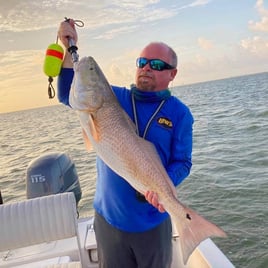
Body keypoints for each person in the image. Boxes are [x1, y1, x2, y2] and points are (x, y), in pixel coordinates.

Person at [57, 19, 194, 268]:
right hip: (108, 221)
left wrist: (163, 187)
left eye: (156, 64)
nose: (146, 68)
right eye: (142, 62)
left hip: (152, 223)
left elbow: (183, 162)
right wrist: (68, 49)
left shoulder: (180, 114)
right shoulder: (115, 97)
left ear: (172, 73)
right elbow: (68, 94)